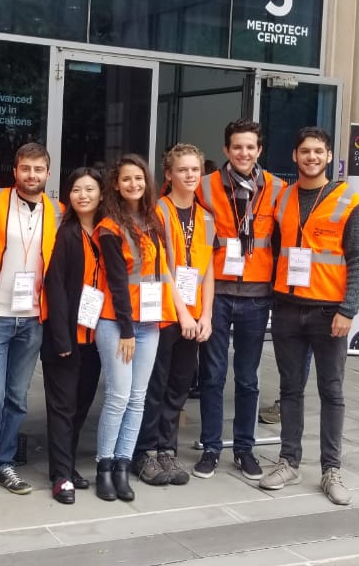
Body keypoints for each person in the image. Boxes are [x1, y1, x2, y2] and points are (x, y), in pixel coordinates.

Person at [258, 128, 359, 507]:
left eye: (318, 152)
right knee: (290, 389)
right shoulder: (283, 197)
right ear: (295, 155)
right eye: (305, 151)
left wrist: (348, 309)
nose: (311, 157)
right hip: (288, 309)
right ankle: (288, 461)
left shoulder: (347, 200)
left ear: (328, 156)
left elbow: (358, 259)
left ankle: (331, 469)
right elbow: (276, 251)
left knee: (331, 391)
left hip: (328, 313)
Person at [93, 154, 196, 502]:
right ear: (116, 185)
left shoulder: (152, 221)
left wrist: (180, 312)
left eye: (139, 179)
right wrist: (125, 330)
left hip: (150, 322)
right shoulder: (109, 226)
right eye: (126, 179)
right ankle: (104, 466)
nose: (133, 185)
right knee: (118, 397)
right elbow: (118, 283)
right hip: (117, 323)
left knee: (138, 399)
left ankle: (123, 465)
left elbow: (164, 270)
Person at [0, 143, 61, 497]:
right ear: (15, 170)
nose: (31, 175)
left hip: (33, 318)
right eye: (25, 168)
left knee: (17, 398)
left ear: (48, 174)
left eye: (38, 170)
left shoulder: (57, 210)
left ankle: (4, 462)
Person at [193, 120, 284, 480]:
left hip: (257, 296)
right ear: (226, 150)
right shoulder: (205, 187)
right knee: (212, 376)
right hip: (216, 293)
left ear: (259, 150)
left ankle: (244, 449)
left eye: (250, 147)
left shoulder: (278, 188)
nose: (243, 153)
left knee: (248, 378)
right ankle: (212, 448)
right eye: (237, 147)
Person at [134, 144, 215, 486]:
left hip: (195, 318)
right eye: (183, 170)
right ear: (169, 175)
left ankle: (167, 450)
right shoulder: (156, 212)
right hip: (164, 315)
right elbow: (162, 267)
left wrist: (206, 315)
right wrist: (182, 313)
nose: (190, 175)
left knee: (179, 386)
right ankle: (145, 453)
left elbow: (208, 269)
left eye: (195, 169)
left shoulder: (207, 217)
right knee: (155, 385)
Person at [41, 167, 106, 505]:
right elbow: (55, 287)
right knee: (63, 407)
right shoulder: (65, 234)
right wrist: (62, 338)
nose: (83, 195)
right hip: (65, 339)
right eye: (77, 189)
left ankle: (64, 465)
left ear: (100, 193)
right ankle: (62, 476)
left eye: (90, 189)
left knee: (81, 405)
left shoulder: (106, 231)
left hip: (96, 337)